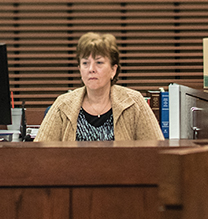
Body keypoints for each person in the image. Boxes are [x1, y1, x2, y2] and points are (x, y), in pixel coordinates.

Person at [36, 32, 164, 141]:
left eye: (99, 62)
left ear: (113, 70)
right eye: (85, 63)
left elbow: (157, 152)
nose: (91, 69)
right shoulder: (62, 105)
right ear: (80, 69)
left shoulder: (134, 102)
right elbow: (39, 154)